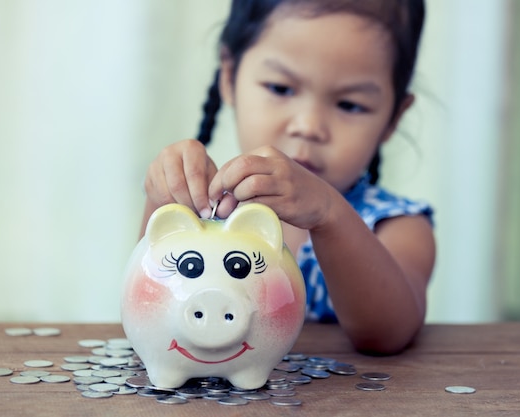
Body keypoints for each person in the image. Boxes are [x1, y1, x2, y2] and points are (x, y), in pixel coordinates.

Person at [141, 0, 435, 355]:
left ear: (393, 118)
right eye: (281, 88)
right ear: (229, 77)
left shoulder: (396, 226)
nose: (308, 126)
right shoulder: (208, 207)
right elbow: (148, 303)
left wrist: (329, 213)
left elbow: (387, 333)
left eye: (349, 104)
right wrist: (163, 197)